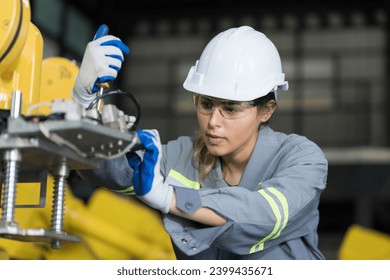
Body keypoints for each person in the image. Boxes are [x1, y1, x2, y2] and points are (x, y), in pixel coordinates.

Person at [72, 25, 328, 260]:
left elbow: (265, 215)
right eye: (206, 104)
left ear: (266, 110)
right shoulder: (182, 158)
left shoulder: (302, 159)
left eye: (230, 108)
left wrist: (170, 198)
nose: (213, 121)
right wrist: (83, 99)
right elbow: (105, 168)